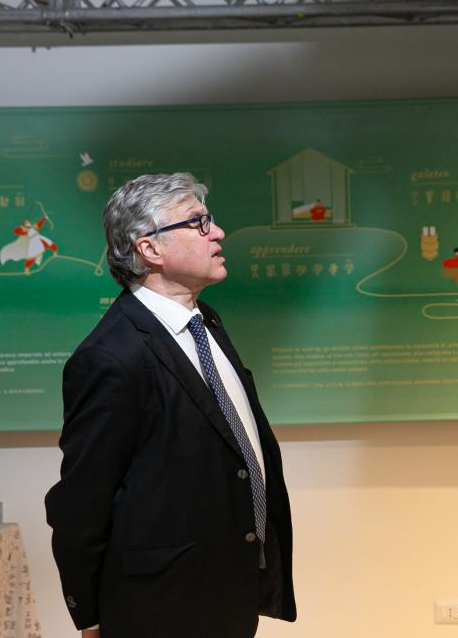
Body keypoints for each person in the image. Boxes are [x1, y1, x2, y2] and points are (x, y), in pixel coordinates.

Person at [45, 173, 296, 638]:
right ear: (150, 249)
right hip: (159, 608)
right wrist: (91, 617)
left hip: (225, 593)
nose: (217, 232)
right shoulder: (111, 355)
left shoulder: (206, 322)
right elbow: (81, 502)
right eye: (198, 223)